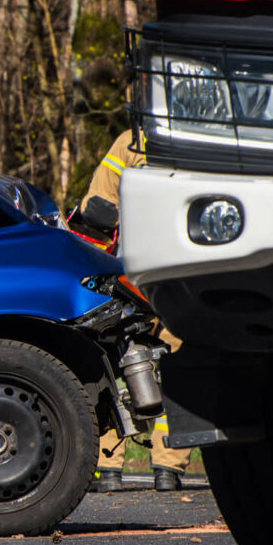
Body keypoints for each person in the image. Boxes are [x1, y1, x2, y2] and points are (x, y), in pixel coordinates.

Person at [76, 128, 192, 493]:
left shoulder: (132, 139)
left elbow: (97, 206)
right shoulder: (204, 137)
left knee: (121, 360)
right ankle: (168, 468)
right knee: (176, 362)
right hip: (184, 273)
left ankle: (108, 466)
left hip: (133, 271)